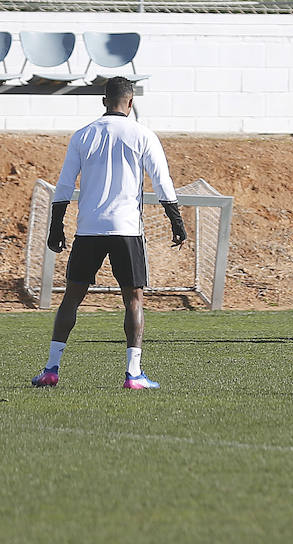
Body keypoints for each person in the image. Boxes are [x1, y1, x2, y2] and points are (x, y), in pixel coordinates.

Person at [31, 77, 187, 389]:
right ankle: (133, 374)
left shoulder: (83, 135)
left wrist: (55, 226)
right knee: (133, 299)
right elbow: (162, 181)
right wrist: (176, 221)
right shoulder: (143, 134)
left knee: (72, 299)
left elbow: (64, 185)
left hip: (89, 229)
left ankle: (51, 369)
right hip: (127, 230)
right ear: (130, 103)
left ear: (104, 101)